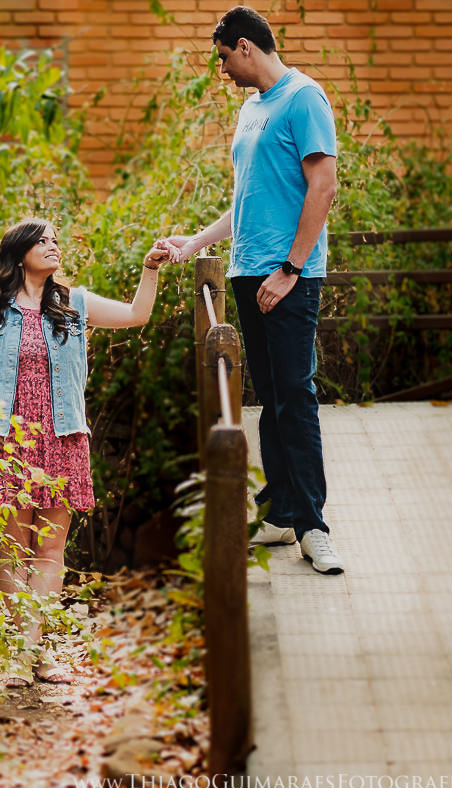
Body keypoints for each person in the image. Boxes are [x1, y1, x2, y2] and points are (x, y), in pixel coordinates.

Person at [0, 218, 166, 686]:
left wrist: (151, 270)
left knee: (51, 546)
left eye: (55, 241)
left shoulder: (73, 304)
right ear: (19, 253)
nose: (53, 247)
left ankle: (39, 652)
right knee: (15, 545)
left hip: (63, 436)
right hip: (10, 439)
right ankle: (20, 653)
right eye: (43, 241)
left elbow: (137, 315)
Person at [156, 6, 343, 575]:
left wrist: (290, 268)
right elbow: (247, 203)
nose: (222, 71)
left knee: (296, 395)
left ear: (244, 47)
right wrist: (193, 243)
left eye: (222, 59)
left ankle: (314, 526)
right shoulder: (251, 109)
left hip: (287, 276)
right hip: (246, 271)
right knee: (270, 398)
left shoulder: (304, 98)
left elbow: (323, 185)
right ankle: (282, 512)